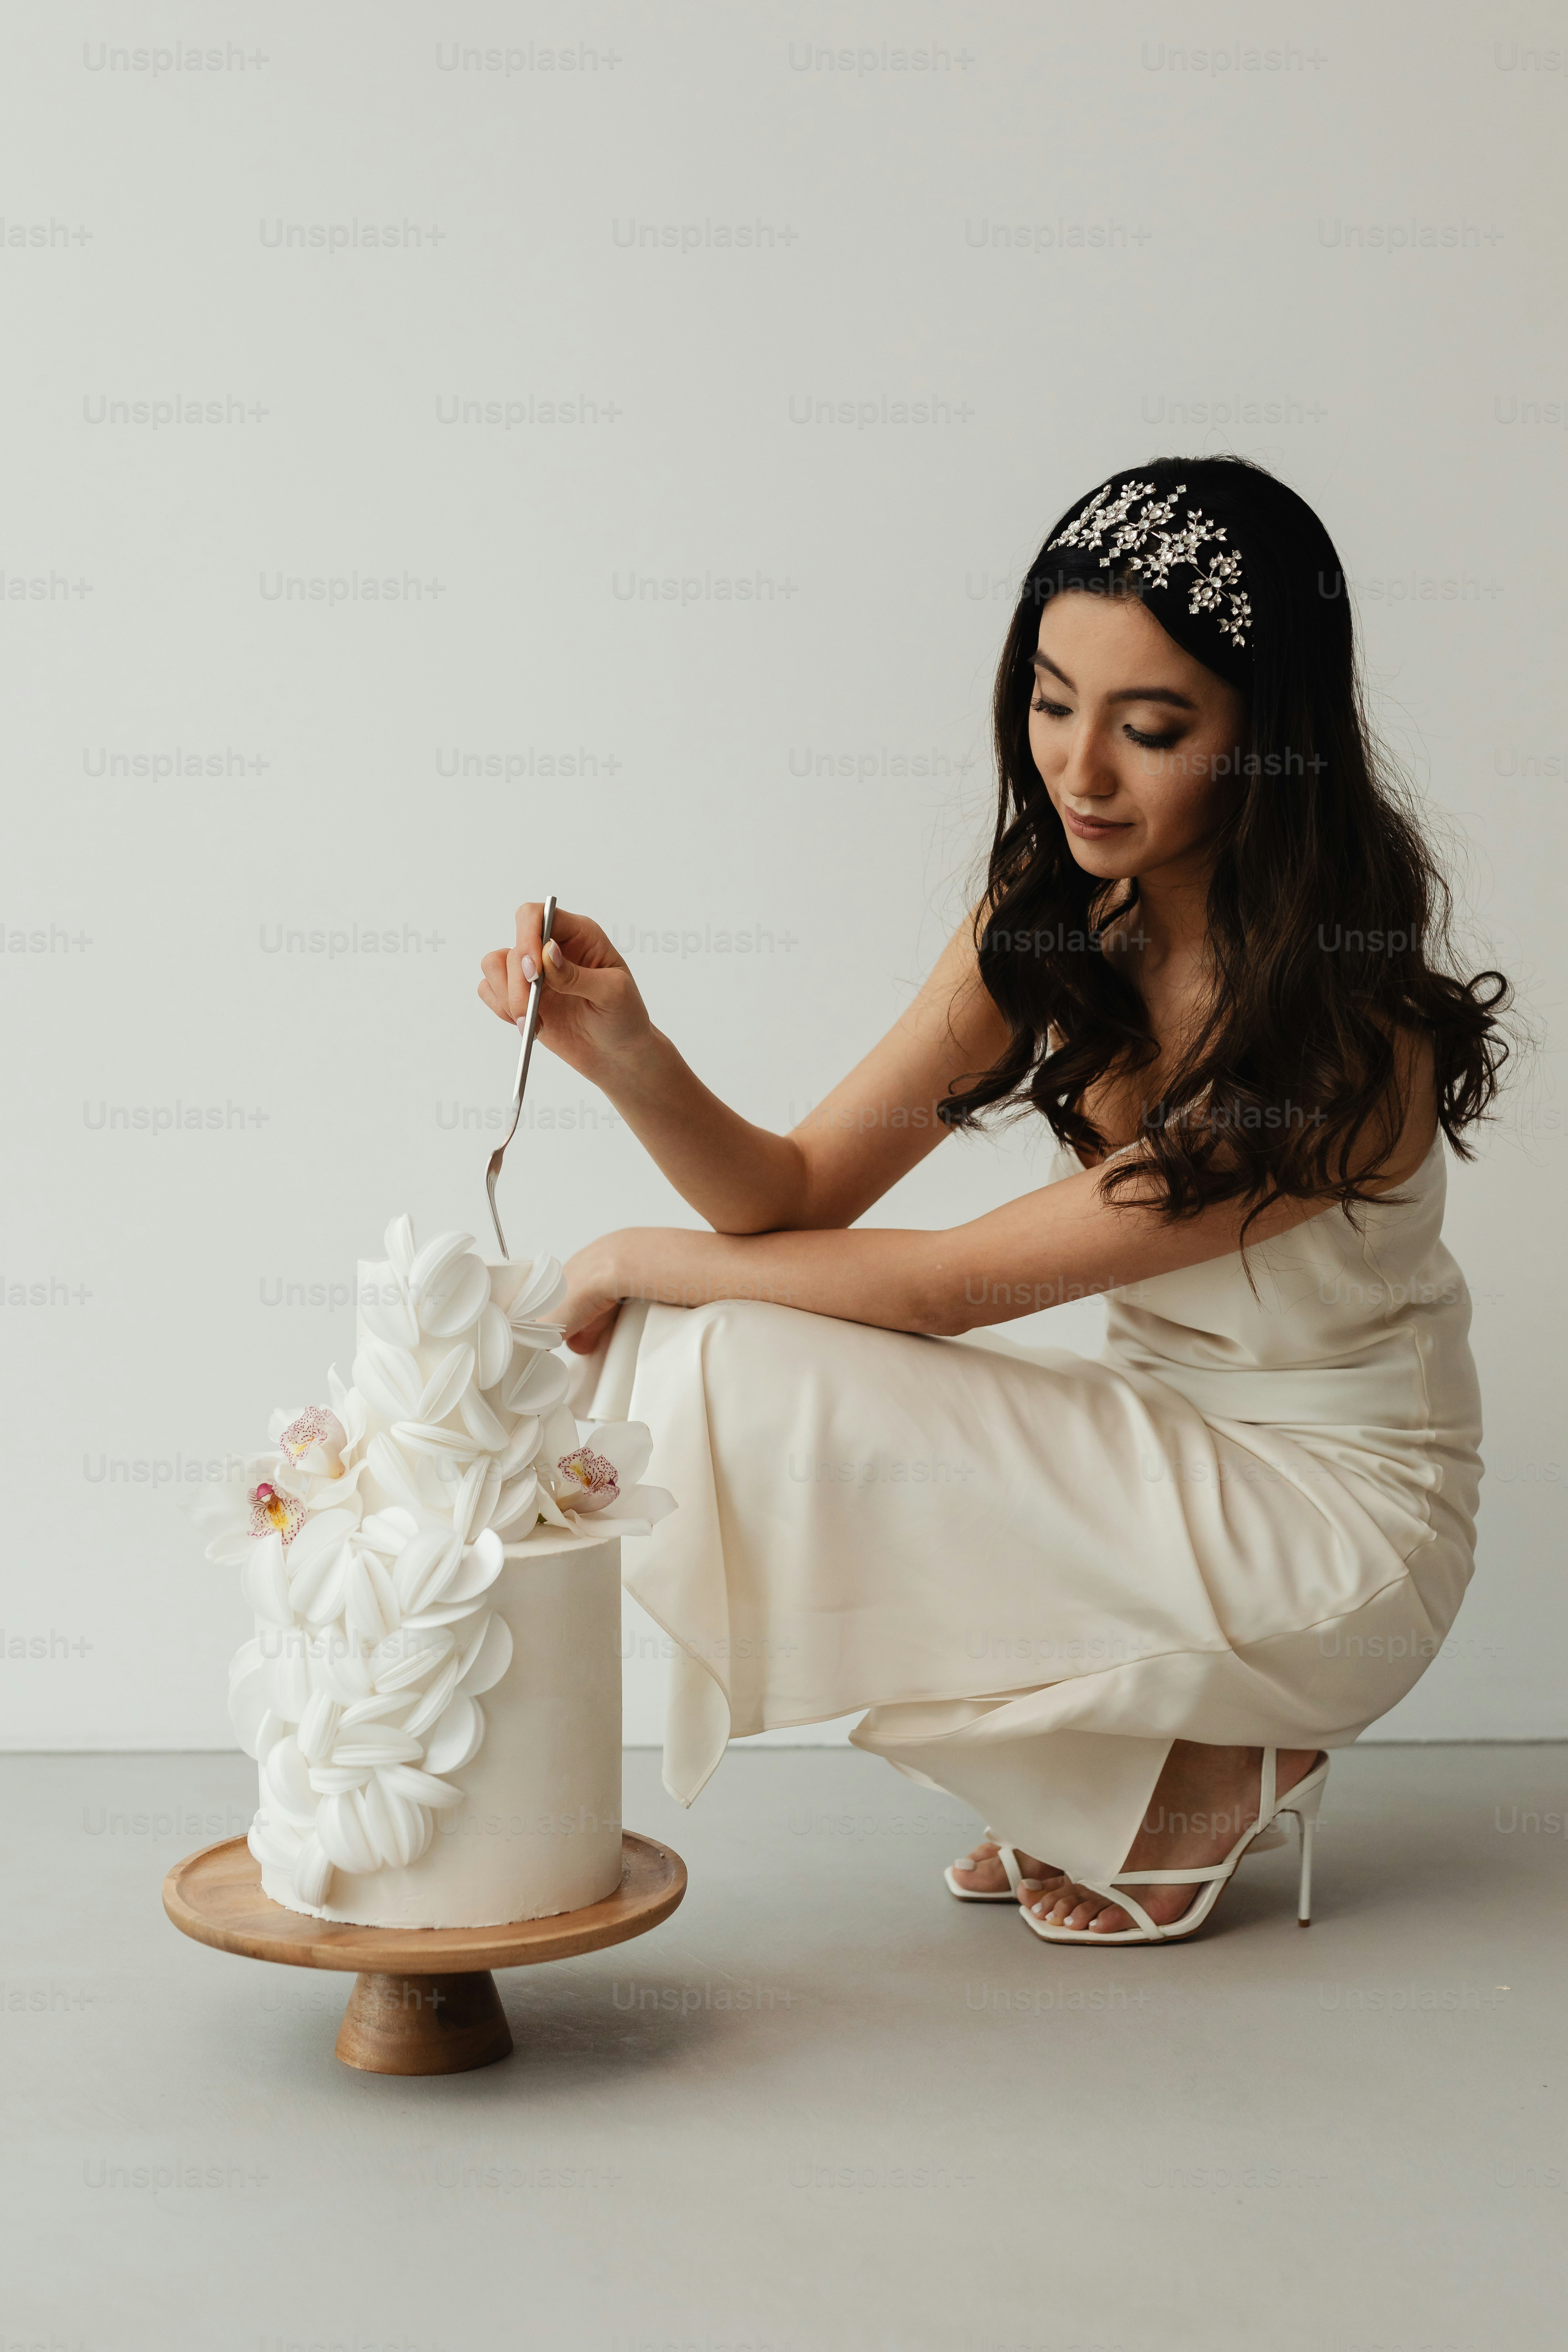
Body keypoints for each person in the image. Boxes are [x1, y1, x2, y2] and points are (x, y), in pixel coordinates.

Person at [478, 457, 1508, 1943]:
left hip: (1340, 1536)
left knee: (715, 1347)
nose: (1080, 769)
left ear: (1268, 744)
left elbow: (949, 1285)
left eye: (1152, 727)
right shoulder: (1062, 913)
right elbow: (795, 1190)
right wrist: (628, 1054)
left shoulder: (1334, 1041)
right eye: (1049, 699)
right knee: (707, 1365)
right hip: (1164, 1452)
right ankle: (1103, 1769)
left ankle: (1176, 1782)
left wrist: (632, 1254)